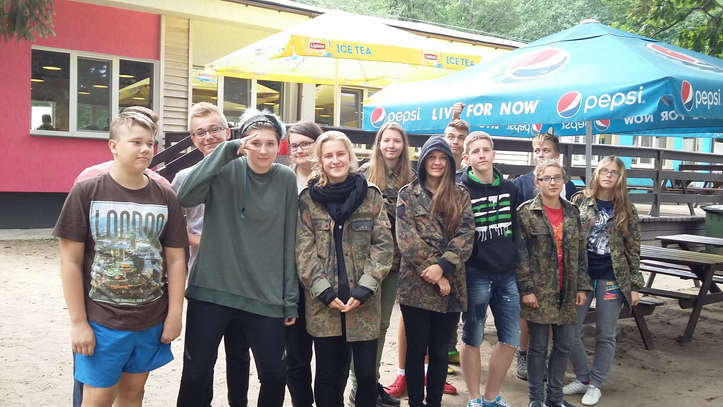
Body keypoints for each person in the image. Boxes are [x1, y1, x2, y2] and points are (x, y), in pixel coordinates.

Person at [55, 107, 188, 406]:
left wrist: (174, 314)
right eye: (136, 142)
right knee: (98, 398)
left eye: (150, 143)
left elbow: (176, 259)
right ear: (113, 146)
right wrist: (78, 322)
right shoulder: (87, 191)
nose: (145, 149)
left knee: (133, 393)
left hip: (150, 319)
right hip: (102, 320)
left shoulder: (165, 195)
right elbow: (70, 261)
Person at [176, 108, 299, 407]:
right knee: (195, 374)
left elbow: (288, 240)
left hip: (263, 296)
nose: (263, 150)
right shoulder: (223, 169)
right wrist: (225, 150)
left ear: (279, 145)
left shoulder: (285, 178)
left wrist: (289, 298)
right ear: (242, 142)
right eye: (255, 142)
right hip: (211, 292)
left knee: (274, 375)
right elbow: (185, 196)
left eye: (270, 143)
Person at [295, 131, 394, 407]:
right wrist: (323, 291)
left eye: (340, 154)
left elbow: (383, 245)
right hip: (324, 304)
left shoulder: (370, 196)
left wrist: (366, 287)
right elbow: (303, 251)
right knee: (328, 375)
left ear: (350, 156)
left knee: (365, 376)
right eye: (328, 155)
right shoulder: (308, 200)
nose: (335, 160)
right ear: (320, 160)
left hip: (362, 303)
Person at [171, 102, 250, 407]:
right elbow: (173, 230)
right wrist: (207, 242)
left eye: (214, 129)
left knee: (239, 357)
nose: (208, 137)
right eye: (200, 132)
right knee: (198, 363)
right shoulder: (185, 177)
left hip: (243, 282)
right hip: (204, 280)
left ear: (227, 132)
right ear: (193, 139)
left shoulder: (249, 172)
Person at [396, 135, 474, 407]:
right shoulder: (408, 194)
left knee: (441, 351)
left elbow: (467, 234)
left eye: (442, 158)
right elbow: (407, 239)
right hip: (416, 285)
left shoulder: (461, 194)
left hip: (451, 284)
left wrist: (442, 267)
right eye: (432, 157)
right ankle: (415, 402)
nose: (437, 162)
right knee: (416, 350)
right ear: (423, 161)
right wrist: (432, 271)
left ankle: (433, 403)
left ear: (450, 162)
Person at [563, 156, 643, 406]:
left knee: (605, 333)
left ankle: (595, 384)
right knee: (569, 330)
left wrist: (635, 286)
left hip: (612, 278)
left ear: (620, 178)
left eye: (614, 172)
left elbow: (634, 248)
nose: (608, 175)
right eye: (604, 171)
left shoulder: (627, 209)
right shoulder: (580, 201)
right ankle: (583, 377)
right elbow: (568, 238)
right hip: (583, 277)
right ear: (597, 174)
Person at [516, 160, 591, 407]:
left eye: (557, 177)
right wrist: (526, 289)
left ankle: (555, 398)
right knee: (538, 347)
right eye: (546, 178)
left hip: (567, 290)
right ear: (537, 182)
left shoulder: (572, 212)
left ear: (563, 181)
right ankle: (536, 399)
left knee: (564, 345)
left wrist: (582, 286)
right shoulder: (526, 212)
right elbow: (520, 255)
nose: (552, 182)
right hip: (539, 292)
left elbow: (580, 251)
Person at [349, 122, 413, 407]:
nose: (391, 145)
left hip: (396, 263)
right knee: (362, 325)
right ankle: (359, 386)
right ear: (378, 143)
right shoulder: (363, 174)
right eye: (386, 140)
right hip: (366, 264)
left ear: (403, 145)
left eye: (396, 141)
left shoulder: (411, 178)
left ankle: (371, 382)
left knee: (382, 325)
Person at [457, 132, 520, 407]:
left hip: (506, 273)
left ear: (493, 154)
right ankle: (474, 398)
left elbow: (516, 230)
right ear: (466, 158)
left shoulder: (510, 189)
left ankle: (492, 396)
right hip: (475, 273)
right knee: (473, 336)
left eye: (486, 149)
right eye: (476, 151)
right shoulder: (460, 190)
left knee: (511, 338)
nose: (482, 154)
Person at [513, 127, 577, 381]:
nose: (540, 154)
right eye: (537, 150)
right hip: (531, 265)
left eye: (546, 150)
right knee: (527, 314)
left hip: (559, 264)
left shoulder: (568, 185)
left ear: (557, 154)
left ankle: (547, 358)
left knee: (552, 314)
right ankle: (523, 353)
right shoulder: (521, 183)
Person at [285, 120, 323, 407]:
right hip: (292, 277)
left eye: (305, 144)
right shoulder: (283, 180)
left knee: (328, 353)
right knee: (295, 353)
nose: (299, 150)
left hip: (326, 275)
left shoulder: (331, 177)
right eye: (294, 145)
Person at [445, 102, 470, 171]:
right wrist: (455, 118)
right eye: (451, 137)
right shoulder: (433, 170)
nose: (455, 142)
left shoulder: (470, 174)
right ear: (444, 139)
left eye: (461, 138)